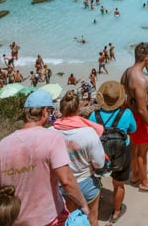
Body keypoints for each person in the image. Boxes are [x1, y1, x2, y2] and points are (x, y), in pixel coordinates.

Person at [0, 89, 90, 226]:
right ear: (45, 111)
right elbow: (67, 181)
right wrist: (83, 204)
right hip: (49, 218)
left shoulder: (2, 145)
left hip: (13, 220)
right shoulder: (52, 138)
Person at [52, 91, 105, 226]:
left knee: (67, 221)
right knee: (92, 219)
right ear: (78, 108)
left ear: (61, 109)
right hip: (86, 182)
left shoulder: (50, 132)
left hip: (60, 185)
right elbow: (99, 163)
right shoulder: (88, 132)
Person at [89, 81, 136, 224]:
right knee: (119, 184)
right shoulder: (126, 113)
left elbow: (91, 135)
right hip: (122, 152)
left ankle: (94, 210)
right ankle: (116, 212)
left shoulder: (94, 115)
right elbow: (132, 130)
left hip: (100, 153)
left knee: (96, 181)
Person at [121, 42, 148, 193]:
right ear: (146, 58)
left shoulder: (126, 72)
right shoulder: (140, 80)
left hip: (130, 114)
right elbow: (142, 109)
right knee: (142, 152)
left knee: (134, 146)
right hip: (139, 117)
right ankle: (144, 182)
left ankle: (136, 174)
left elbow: (123, 94)